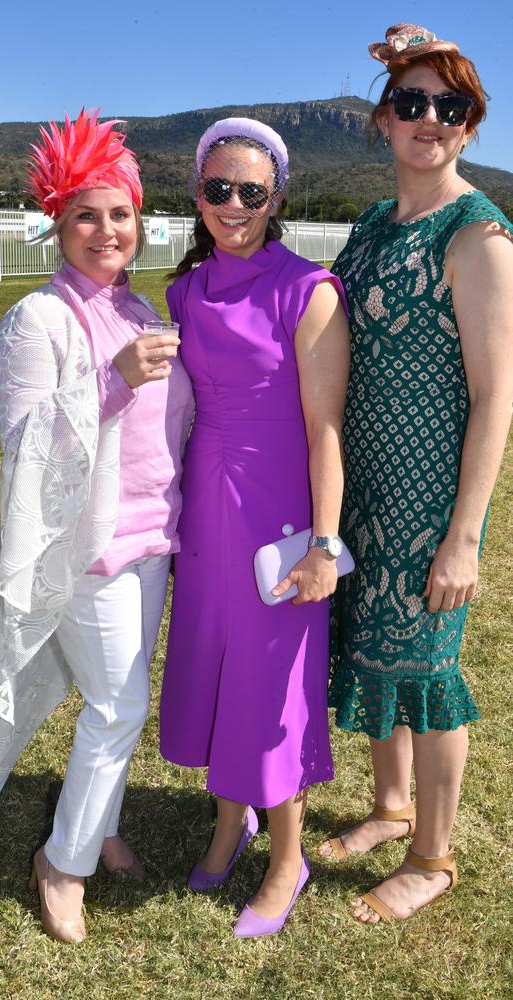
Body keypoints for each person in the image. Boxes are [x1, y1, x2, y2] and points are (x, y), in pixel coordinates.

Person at [0, 110, 194, 943]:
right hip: (89, 546)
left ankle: (96, 827)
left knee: (118, 698)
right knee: (118, 706)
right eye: (86, 215)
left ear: (140, 221)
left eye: (121, 213)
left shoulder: (141, 309)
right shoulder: (39, 320)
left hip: (151, 541)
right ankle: (62, 861)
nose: (107, 230)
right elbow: (26, 444)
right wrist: (110, 382)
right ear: (58, 225)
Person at [320, 24, 513, 923]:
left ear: (470, 126)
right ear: (383, 121)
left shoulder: (477, 234)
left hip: (429, 500)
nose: (429, 118)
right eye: (411, 102)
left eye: (451, 105)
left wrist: (464, 535)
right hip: (361, 489)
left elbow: (495, 398)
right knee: (377, 657)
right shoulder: (370, 225)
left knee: (429, 673)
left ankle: (432, 857)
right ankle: (392, 809)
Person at [159, 118, 350, 938]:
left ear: (276, 197)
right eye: (217, 189)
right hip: (206, 507)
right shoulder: (184, 292)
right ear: (198, 193)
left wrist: (324, 543)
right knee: (215, 667)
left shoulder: (308, 290)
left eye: (251, 191)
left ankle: (287, 859)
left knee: (272, 687)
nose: (232, 205)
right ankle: (229, 823)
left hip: (278, 512)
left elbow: (325, 432)